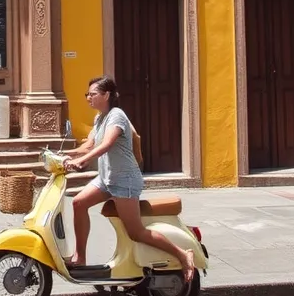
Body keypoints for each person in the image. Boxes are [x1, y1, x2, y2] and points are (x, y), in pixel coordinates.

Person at [63, 76, 195, 282]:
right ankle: (80, 257)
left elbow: (106, 144)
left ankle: (182, 254)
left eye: (92, 94)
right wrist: (65, 155)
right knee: (79, 203)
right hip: (107, 178)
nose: (88, 97)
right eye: (86, 94)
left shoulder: (117, 115)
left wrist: (82, 162)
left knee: (136, 232)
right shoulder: (100, 118)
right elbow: (88, 145)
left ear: (106, 95)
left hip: (124, 181)